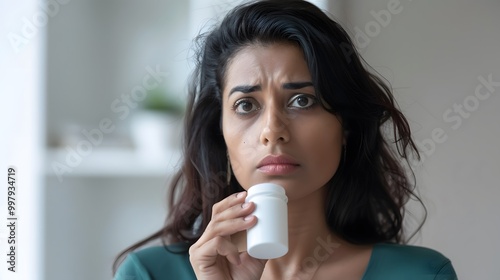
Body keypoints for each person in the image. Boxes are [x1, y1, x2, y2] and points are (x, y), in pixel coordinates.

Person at [113, 1, 458, 279]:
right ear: (220, 131)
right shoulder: (148, 274)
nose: (272, 130)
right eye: (246, 105)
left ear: (346, 126)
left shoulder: (422, 274)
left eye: (302, 100)